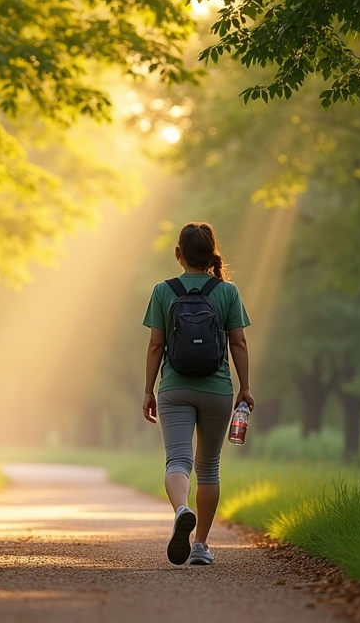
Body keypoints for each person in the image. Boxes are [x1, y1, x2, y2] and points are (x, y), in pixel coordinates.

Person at [141, 222, 253, 566]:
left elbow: (156, 345)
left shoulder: (163, 291)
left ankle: (181, 510)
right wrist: (245, 387)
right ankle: (201, 545)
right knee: (209, 468)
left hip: (174, 389)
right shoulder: (227, 291)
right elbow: (238, 343)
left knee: (178, 460)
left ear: (179, 254)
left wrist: (148, 390)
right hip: (217, 389)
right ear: (211, 254)